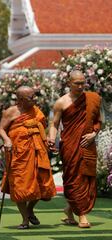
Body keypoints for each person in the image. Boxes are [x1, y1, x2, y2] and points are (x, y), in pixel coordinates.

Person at [48, 70, 101, 228]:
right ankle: (82, 215)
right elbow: (54, 124)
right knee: (73, 180)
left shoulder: (92, 99)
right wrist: (52, 139)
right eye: (76, 83)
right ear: (69, 83)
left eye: (83, 82)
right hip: (70, 146)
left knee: (86, 179)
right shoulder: (61, 102)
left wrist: (94, 134)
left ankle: (70, 209)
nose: (80, 86)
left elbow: (98, 121)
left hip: (87, 144)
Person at [0, 86, 56, 229]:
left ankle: (30, 209)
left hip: (37, 151)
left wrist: (47, 139)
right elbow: (0, 129)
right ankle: (25, 219)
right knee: (20, 186)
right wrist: (7, 140)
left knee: (43, 182)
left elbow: (42, 127)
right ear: (21, 100)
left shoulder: (36, 111)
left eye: (35, 96)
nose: (35, 99)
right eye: (31, 97)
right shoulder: (11, 111)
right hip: (18, 153)